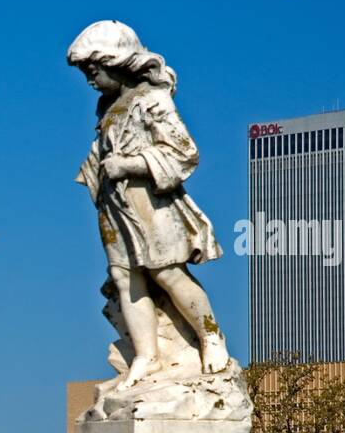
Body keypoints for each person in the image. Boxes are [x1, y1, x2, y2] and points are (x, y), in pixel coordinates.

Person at [67, 20, 229, 389]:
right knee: (126, 278)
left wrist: (129, 164)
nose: (90, 80)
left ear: (117, 62)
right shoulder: (107, 108)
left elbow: (184, 152)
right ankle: (146, 355)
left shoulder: (152, 100)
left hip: (150, 202)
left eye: (93, 71)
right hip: (115, 204)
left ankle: (210, 337)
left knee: (166, 272)